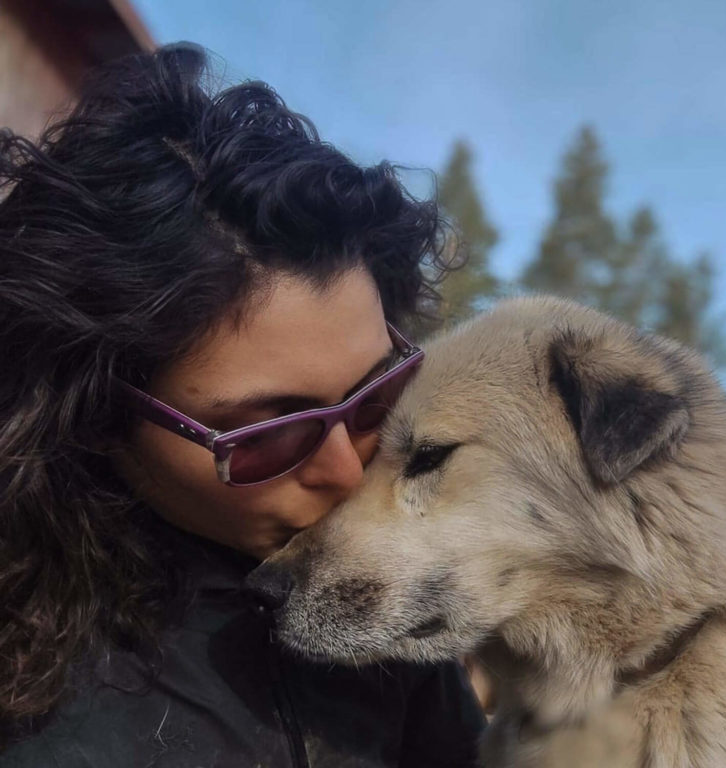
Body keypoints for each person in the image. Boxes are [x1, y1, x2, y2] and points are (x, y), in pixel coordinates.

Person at [0, 44, 484, 767]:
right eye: (269, 436)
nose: (350, 475)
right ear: (95, 416)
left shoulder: (374, 574)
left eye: (376, 396)